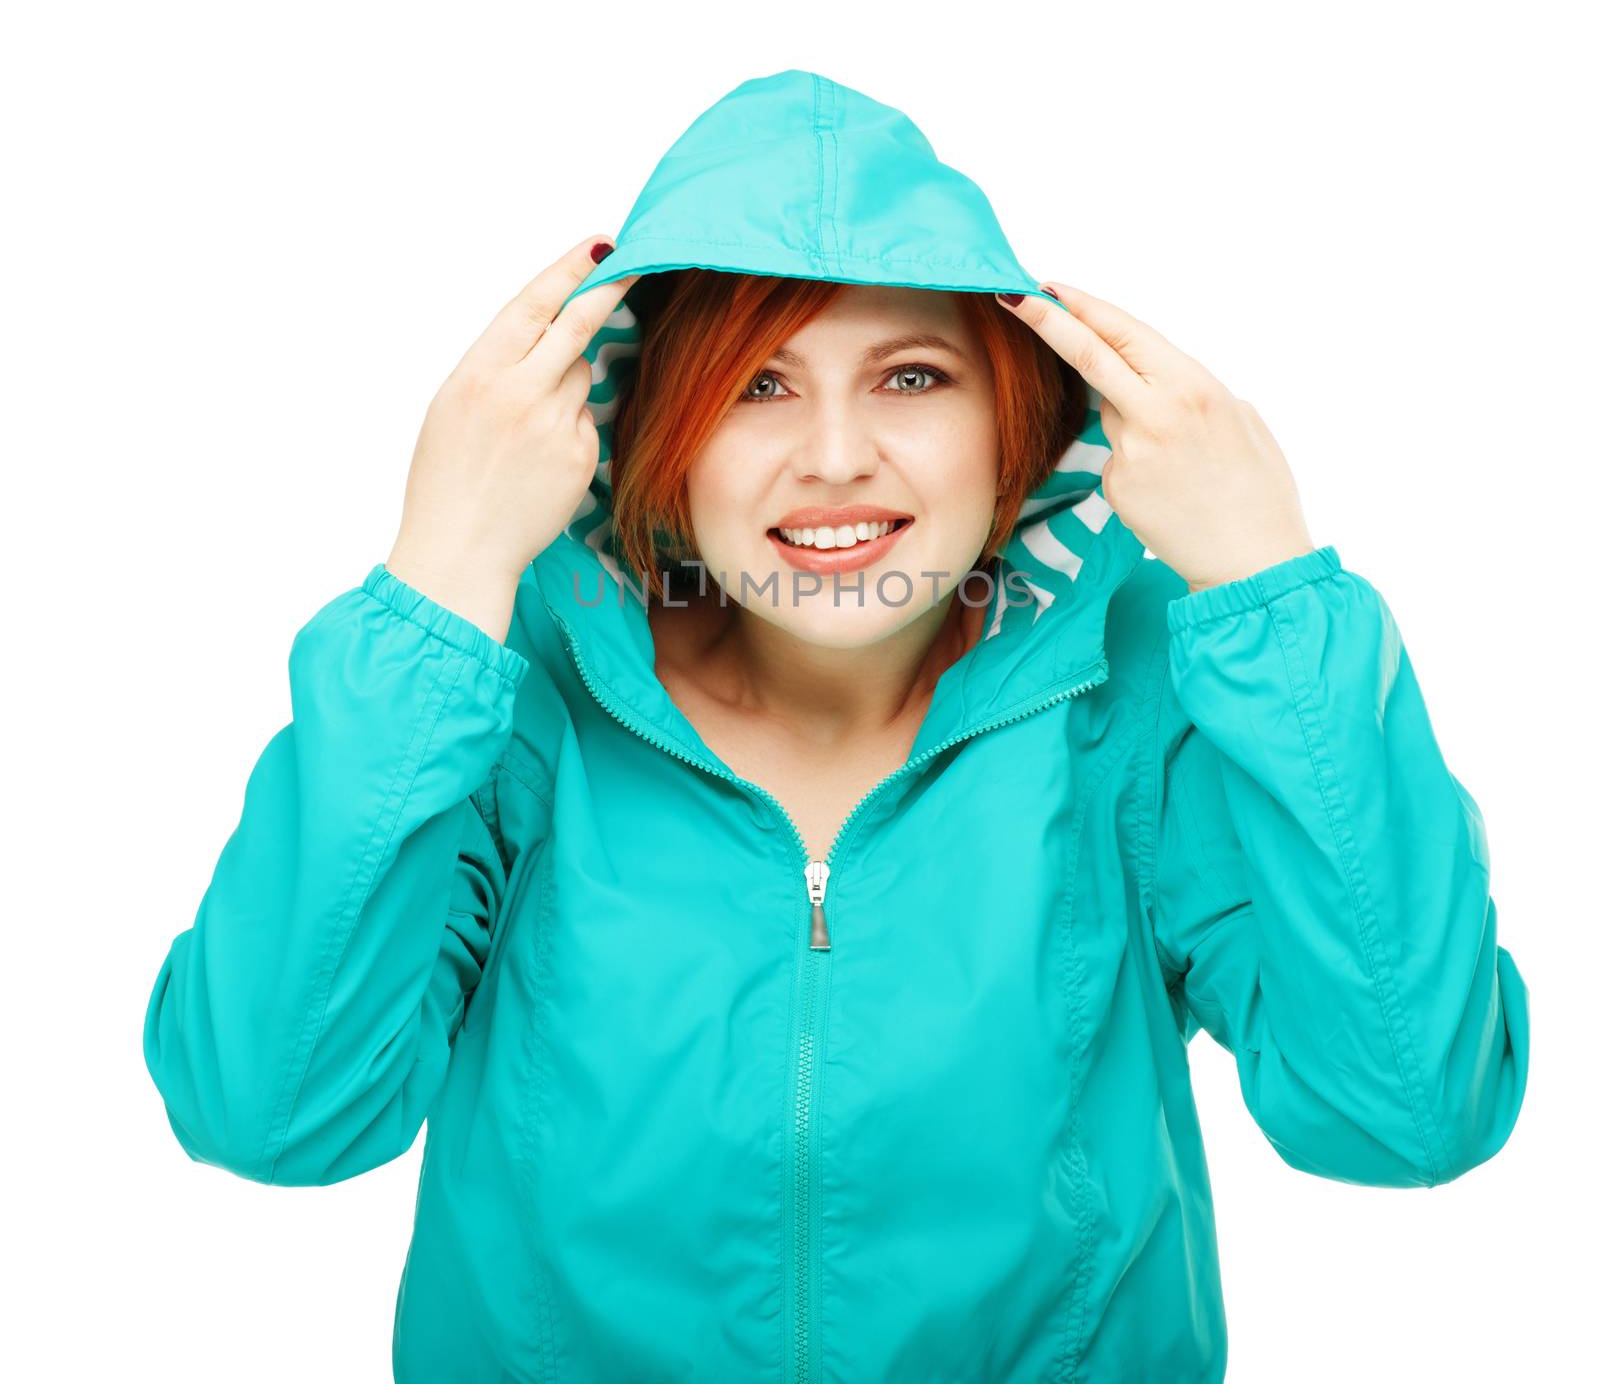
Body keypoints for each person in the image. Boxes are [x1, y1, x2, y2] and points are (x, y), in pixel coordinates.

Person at [141, 68, 1530, 1383]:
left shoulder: (1140, 702)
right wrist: (438, 580)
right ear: (647, 436)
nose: (834, 457)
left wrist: (1272, 591)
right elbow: (273, 1115)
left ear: (1019, 430)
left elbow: (1405, 1114)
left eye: (913, 377)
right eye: (757, 384)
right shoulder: (505, 710)